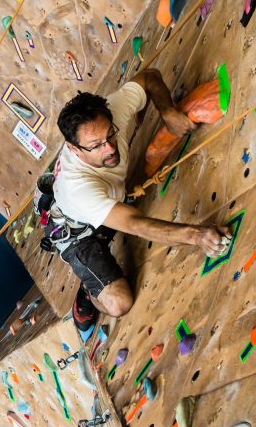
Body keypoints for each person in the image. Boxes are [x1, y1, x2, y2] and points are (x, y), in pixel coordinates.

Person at [48, 69, 231, 333]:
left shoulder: (109, 114)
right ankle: (89, 292)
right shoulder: (78, 188)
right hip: (77, 232)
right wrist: (197, 236)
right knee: (120, 303)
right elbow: (134, 223)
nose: (110, 148)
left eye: (110, 135)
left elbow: (149, 78)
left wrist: (167, 111)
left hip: (106, 199)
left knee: (117, 201)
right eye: (96, 146)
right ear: (74, 149)